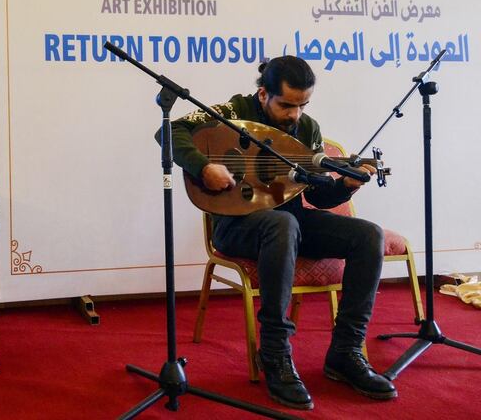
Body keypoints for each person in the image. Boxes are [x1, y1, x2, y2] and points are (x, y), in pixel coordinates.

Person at [165, 56, 396, 410]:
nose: (295, 114)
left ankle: (346, 352)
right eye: (286, 104)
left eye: (303, 105)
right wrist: (203, 165)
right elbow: (169, 130)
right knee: (281, 223)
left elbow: (317, 195)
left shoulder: (308, 129)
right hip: (236, 225)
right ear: (263, 94)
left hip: (290, 221)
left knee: (368, 235)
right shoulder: (233, 109)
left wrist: (346, 185)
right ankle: (274, 353)